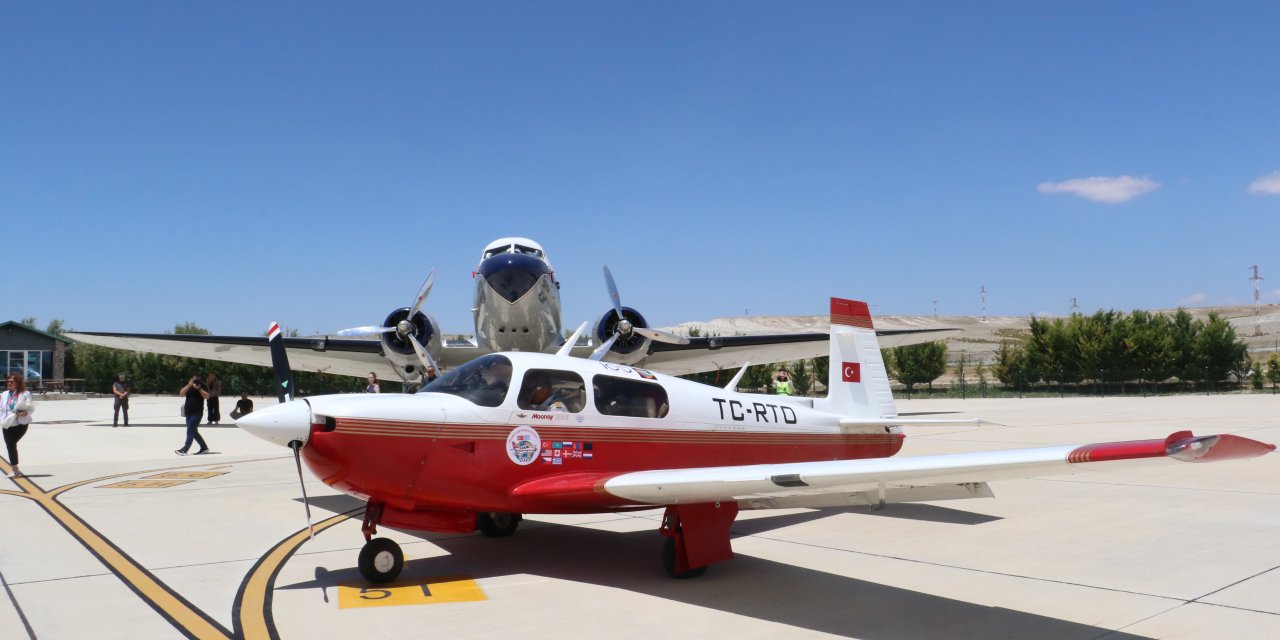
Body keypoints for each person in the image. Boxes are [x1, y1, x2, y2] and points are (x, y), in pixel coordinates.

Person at [2, 372, 35, 478]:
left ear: (17, 382)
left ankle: (15, 470)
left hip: (20, 423)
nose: (9, 383)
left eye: (11, 381)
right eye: (8, 381)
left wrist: (25, 413)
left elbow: (30, 408)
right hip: (7, 422)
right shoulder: (4, 394)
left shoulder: (25, 394)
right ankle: (15, 470)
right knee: (10, 445)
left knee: (11, 443)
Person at [177, 375, 211, 456]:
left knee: (190, 430)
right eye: (193, 379)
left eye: (197, 379)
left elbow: (207, 397)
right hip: (188, 413)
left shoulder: (202, 386)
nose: (195, 381)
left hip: (197, 413)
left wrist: (199, 389)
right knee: (193, 431)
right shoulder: (189, 386)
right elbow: (181, 394)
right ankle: (204, 447)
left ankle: (185, 449)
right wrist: (189, 385)